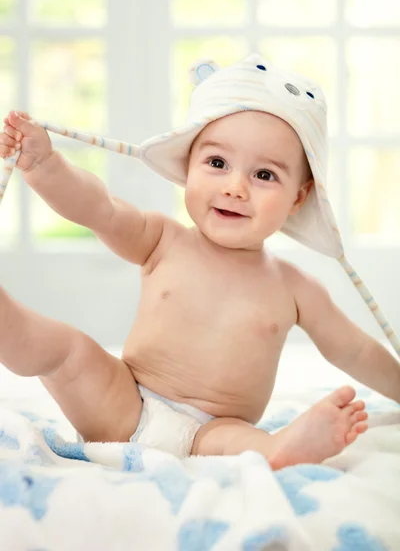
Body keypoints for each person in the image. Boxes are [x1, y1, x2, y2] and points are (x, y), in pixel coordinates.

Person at [0, 54, 399, 470]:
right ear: (189, 168)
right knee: (68, 350)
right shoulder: (161, 239)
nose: (235, 187)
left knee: (251, 443)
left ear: (298, 197)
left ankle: (280, 450)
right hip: (123, 403)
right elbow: (97, 207)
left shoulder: (295, 288)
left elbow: (354, 350)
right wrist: (44, 166)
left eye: (264, 175)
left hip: (214, 432)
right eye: (217, 163)